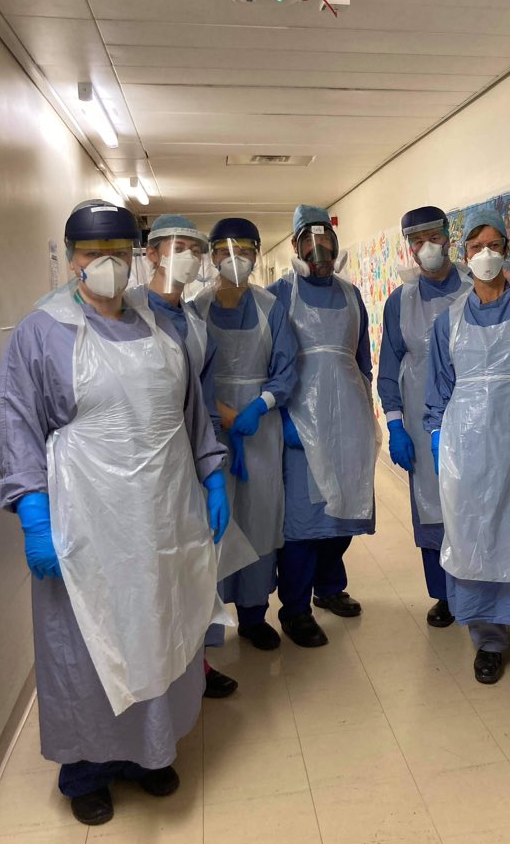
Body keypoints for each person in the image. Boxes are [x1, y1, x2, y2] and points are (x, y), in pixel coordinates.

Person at [0, 200, 229, 825]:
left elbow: (192, 413)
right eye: (94, 255)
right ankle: (86, 770)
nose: (107, 266)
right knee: (89, 642)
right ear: (71, 258)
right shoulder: (41, 332)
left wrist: (211, 473)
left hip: (160, 517)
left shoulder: (160, 326)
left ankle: (146, 754)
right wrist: (34, 517)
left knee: (158, 625)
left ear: (136, 258)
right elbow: (17, 429)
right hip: (86, 521)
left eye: (119, 255)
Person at [424, 207, 510, 684]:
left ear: (508, 250)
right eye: (476, 246)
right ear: (463, 255)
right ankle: (488, 638)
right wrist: (441, 441)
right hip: (467, 453)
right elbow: (439, 392)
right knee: (474, 539)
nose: (486, 254)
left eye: (494, 245)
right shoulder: (449, 321)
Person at [268, 205, 376, 647]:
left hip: (347, 421)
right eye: (309, 243)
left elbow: (362, 360)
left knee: (344, 513)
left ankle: (329, 589)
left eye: (326, 242)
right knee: (303, 523)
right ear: (295, 245)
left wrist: (366, 413)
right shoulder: (278, 295)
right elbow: (268, 364)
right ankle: (294, 609)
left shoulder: (352, 296)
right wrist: (281, 419)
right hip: (299, 423)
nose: (319, 252)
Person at [145, 213, 240, 700]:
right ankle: (162, 677)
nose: (188, 257)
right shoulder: (134, 315)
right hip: (148, 466)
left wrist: (213, 469)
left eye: (195, 249)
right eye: (177, 246)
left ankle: (196, 667)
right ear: (151, 254)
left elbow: (201, 397)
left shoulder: (196, 321)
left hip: (193, 457)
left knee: (196, 566)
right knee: (158, 574)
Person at [193, 218, 298, 653]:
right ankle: (210, 627)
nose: (234, 258)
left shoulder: (272, 306)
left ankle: (255, 615)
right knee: (213, 526)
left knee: (258, 521)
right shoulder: (194, 309)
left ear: (257, 253)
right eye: (224, 249)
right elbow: (188, 375)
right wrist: (226, 415)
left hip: (260, 430)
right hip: (210, 429)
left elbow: (287, 369)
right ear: (212, 255)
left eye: (244, 249)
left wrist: (260, 407)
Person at [379, 205, 470, 627]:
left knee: (474, 502)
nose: (426, 247)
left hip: (474, 413)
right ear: (409, 248)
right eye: (417, 241)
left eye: (434, 236)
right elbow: (388, 367)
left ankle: (478, 589)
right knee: (431, 506)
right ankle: (444, 597)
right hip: (419, 417)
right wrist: (396, 426)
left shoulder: (477, 287)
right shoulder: (401, 301)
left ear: (449, 236)